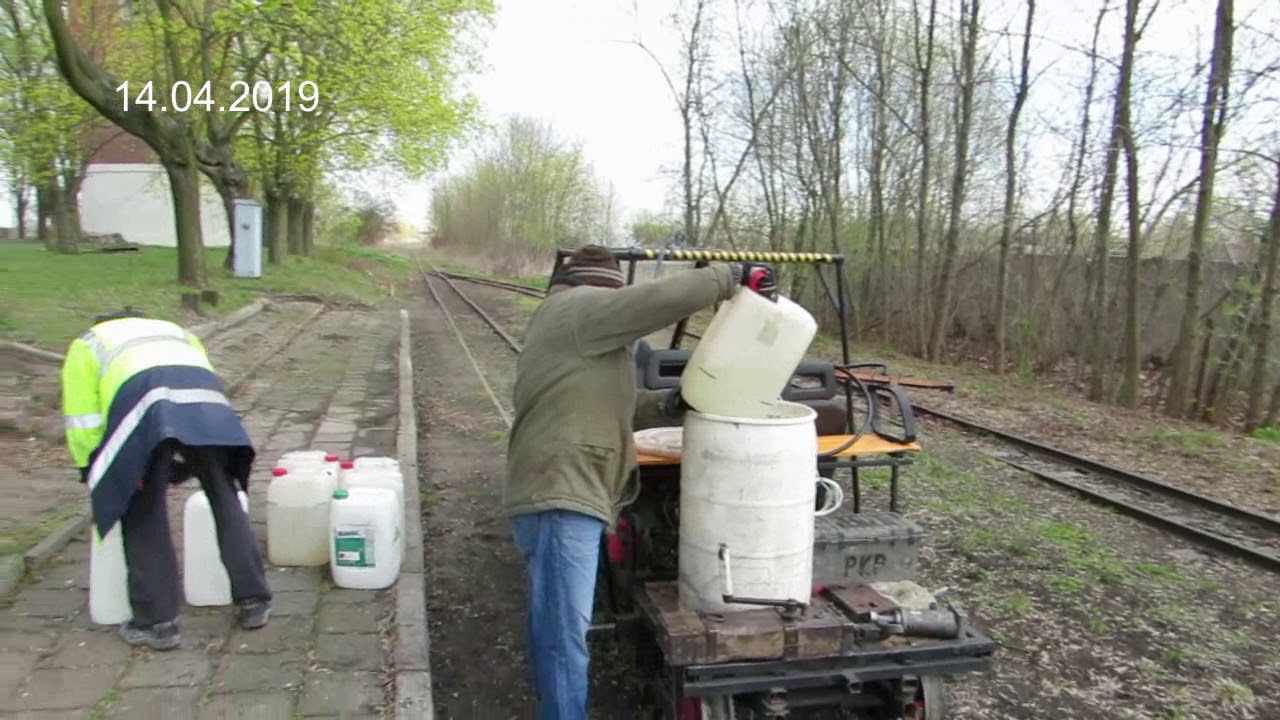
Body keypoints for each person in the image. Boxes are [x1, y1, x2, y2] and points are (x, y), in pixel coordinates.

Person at [503, 246, 777, 718]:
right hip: (561, 492)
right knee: (563, 636)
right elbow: (649, 302)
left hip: (563, 489)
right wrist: (727, 277)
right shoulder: (575, 309)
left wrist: (670, 405)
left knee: (555, 625)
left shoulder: (576, 333)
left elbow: (616, 406)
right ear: (602, 289)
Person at [61, 307, 272, 651]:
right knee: (224, 495)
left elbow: (83, 418)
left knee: (143, 510)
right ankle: (254, 600)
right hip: (209, 409)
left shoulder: (88, 343)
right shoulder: (176, 331)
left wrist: (94, 467)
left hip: (143, 408)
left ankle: (157, 622)